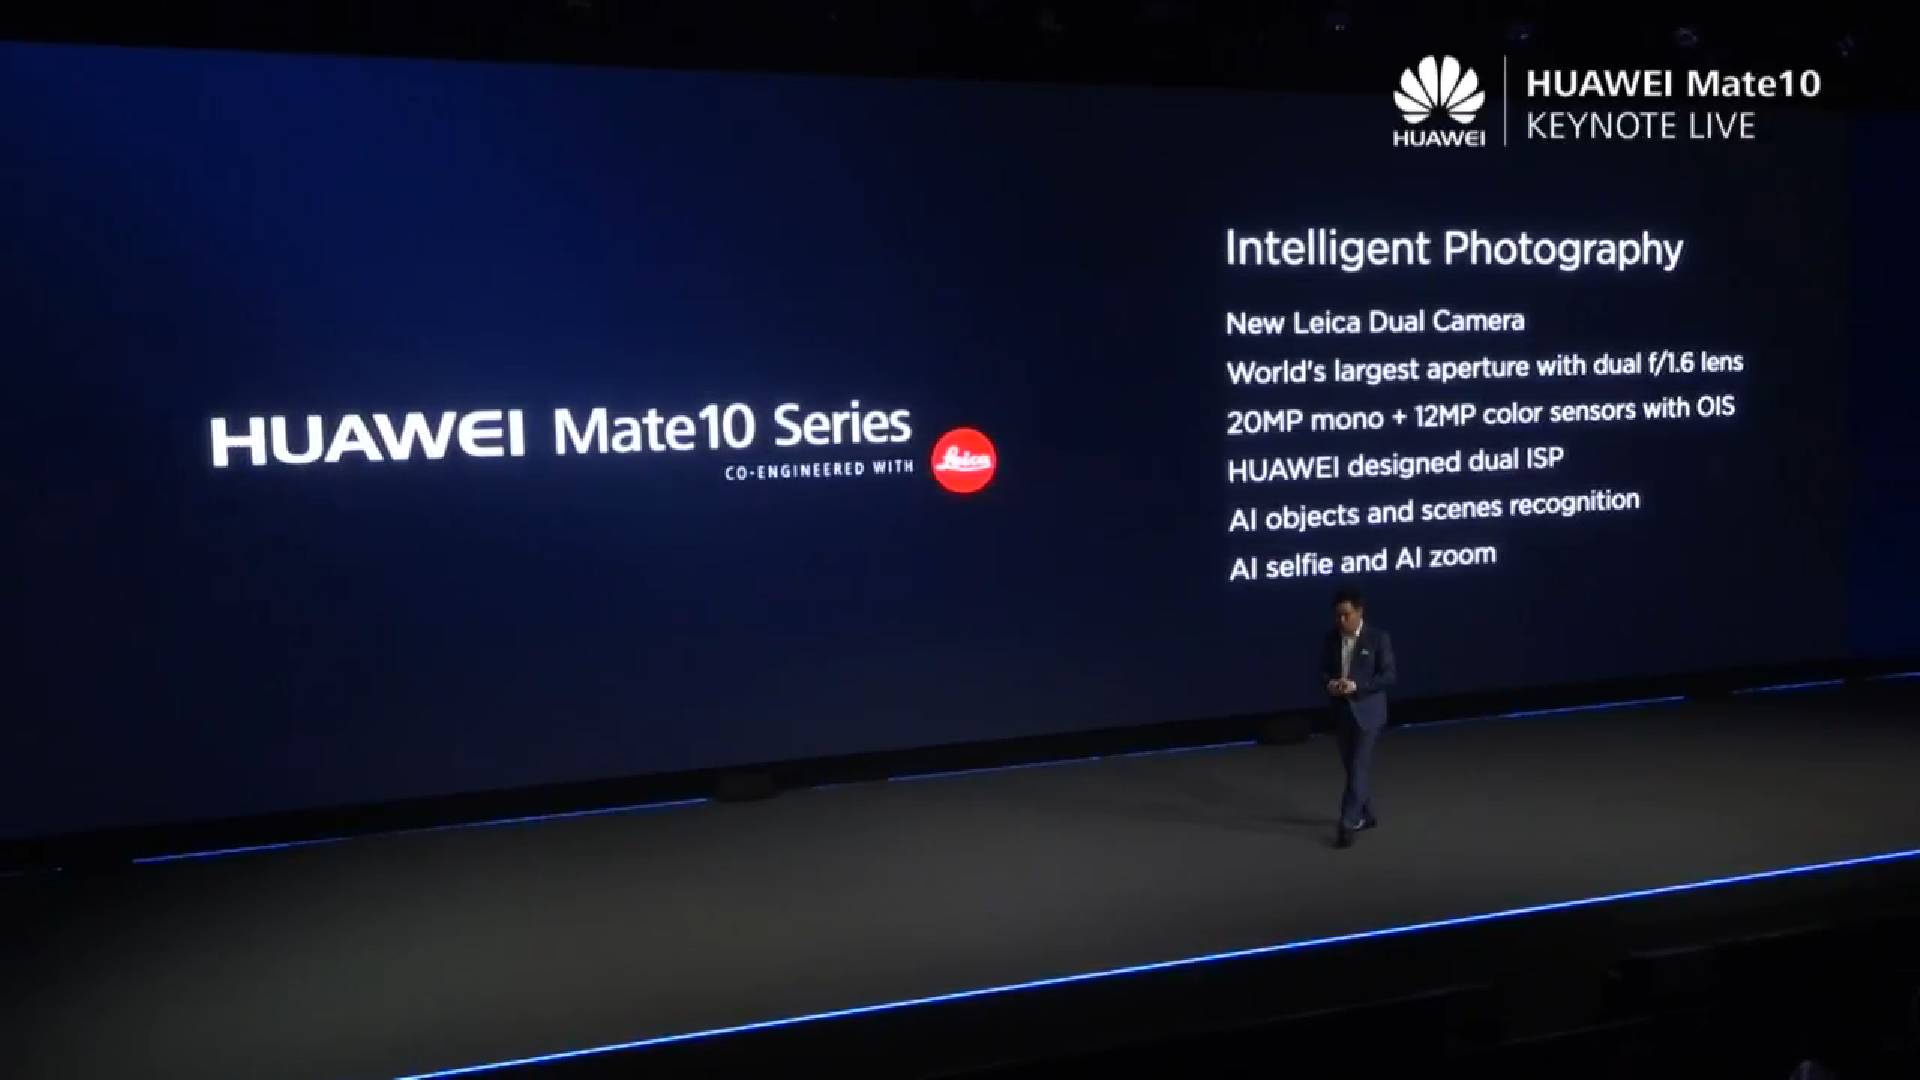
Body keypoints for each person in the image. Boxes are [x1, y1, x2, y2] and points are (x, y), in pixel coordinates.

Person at [1320, 588, 1396, 848]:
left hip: (1369, 714)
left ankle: (1347, 822)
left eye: (1346, 615)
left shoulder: (1378, 638)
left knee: (1358, 766)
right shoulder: (1331, 638)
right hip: (1342, 714)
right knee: (1353, 769)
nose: (1341, 621)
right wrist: (1331, 684)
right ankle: (1368, 814)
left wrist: (1357, 686)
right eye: (1337, 616)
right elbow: (1323, 672)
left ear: (1360, 612)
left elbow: (1389, 675)